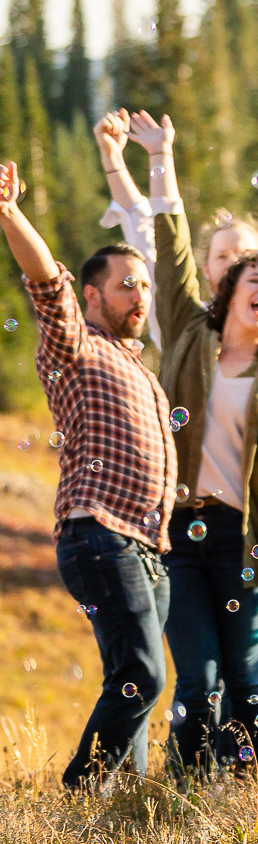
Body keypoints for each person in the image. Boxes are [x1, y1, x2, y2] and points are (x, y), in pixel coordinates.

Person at [131, 110, 258, 774]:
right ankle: (187, 792)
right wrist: (160, 157)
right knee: (197, 678)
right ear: (229, 290)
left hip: (246, 541)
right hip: (178, 534)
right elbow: (172, 246)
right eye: (254, 278)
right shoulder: (185, 334)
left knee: (248, 679)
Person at [0, 160, 176, 789]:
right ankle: (80, 795)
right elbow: (47, 282)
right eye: (127, 285)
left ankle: (122, 805)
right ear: (93, 296)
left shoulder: (143, 370)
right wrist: (10, 213)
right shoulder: (75, 344)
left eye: (146, 287)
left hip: (148, 545)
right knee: (145, 675)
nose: (141, 297)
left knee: (135, 681)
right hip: (98, 529)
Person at [94, 109, 258, 475]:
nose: (236, 264)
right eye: (224, 256)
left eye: (248, 258)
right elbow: (152, 235)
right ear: (205, 271)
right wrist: (115, 162)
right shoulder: (186, 323)